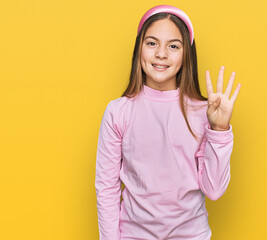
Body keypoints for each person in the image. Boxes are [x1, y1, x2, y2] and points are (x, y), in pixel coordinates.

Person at [95, 5, 241, 240]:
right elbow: (107, 189)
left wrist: (220, 130)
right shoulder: (118, 112)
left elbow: (214, 190)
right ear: (139, 48)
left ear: (186, 55)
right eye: (152, 43)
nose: (161, 53)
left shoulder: (203, 112)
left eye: (173, 46)